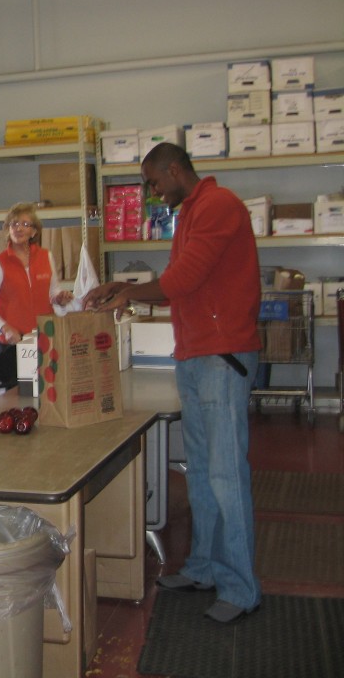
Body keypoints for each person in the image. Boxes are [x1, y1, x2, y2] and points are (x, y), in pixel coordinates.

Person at [83, 142, 262, 624]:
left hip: (222, 358)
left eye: (154, 181)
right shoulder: (191, 213)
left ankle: (241, 588)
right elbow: (180, 282)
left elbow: (183, 279)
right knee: (201, 472)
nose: (151, 191)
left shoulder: (219, 206)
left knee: (226, 476)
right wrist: (122, 289)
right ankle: (204, 567)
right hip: (196, 355)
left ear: (176, 169)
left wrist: (127, 293)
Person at [0, 202, 73, 386]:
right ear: (8, 229)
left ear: (34, 232)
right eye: (13, 224)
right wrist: (4, 328)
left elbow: (52, 291)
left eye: (25, 224)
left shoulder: (46, 257)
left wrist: (60, 298)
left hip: (42, 339)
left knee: (45, 394)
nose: (18, 228)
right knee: (18, 400)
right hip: (13, 344)